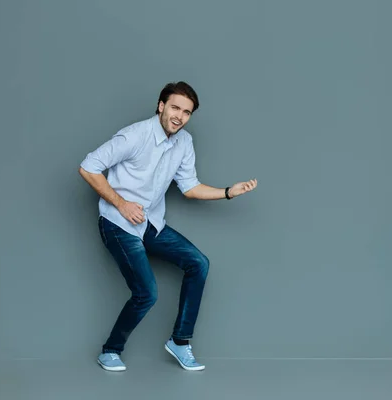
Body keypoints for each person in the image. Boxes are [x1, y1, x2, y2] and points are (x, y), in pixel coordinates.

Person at [78, 81, 257, 372]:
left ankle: (180, 342)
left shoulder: (184, 141)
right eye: (175, 108)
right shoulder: (134, 135)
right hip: (117, 224)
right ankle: (110, 350)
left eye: (186, 112)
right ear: (161, 106)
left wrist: (227, 192)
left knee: (198, 263)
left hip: (151, 223)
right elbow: (88, 166)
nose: (179, 116)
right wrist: (121, 203)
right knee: (147, 293)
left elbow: (189, 187)